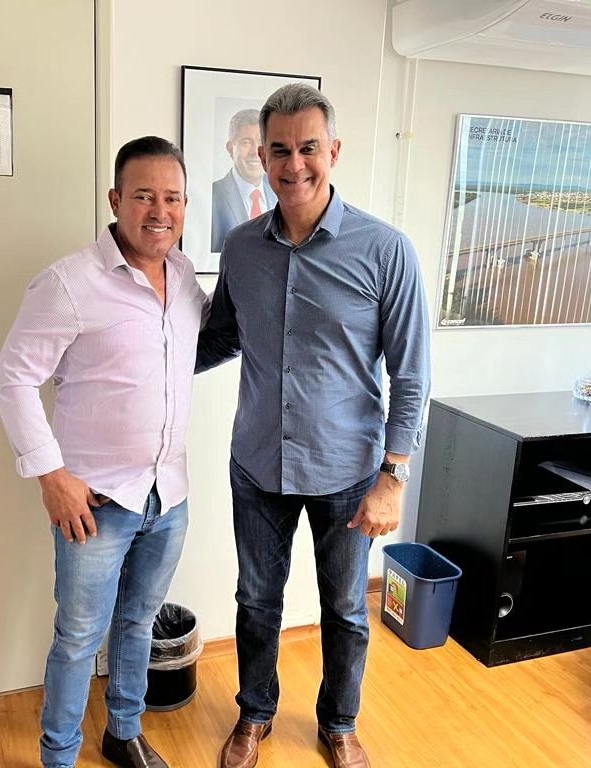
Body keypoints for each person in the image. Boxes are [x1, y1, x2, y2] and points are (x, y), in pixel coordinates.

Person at [197, 84, 431, 768]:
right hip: (258, 465)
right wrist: (143, 356)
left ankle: (340, 722)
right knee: (255, 603)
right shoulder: (242, 248)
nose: (293, 164)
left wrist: (393, 477)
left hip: (349, 472)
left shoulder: (386, 250)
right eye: (279, 150)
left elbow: (412, 374)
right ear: (261, 156)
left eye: (308, 148)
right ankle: (255, 714)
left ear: (334, 151)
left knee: (347, 611)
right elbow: (221, 338)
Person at [0, 136, 206, 768]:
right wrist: (50, 475)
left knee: (139, 623)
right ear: (115, 201)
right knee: (79, 637)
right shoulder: (69, 283)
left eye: (173, 198)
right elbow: (13, 378)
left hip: (168, 495)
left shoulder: (185, 277)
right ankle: (59, 756)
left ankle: (123, 732)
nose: (159, 211)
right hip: (96, 503)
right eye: (143, 196)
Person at [210, 108, 278, 253]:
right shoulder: (213, 195)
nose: (255, 152)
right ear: (230, 149)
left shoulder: (280, 193)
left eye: (261, 142)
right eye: (246, 142)